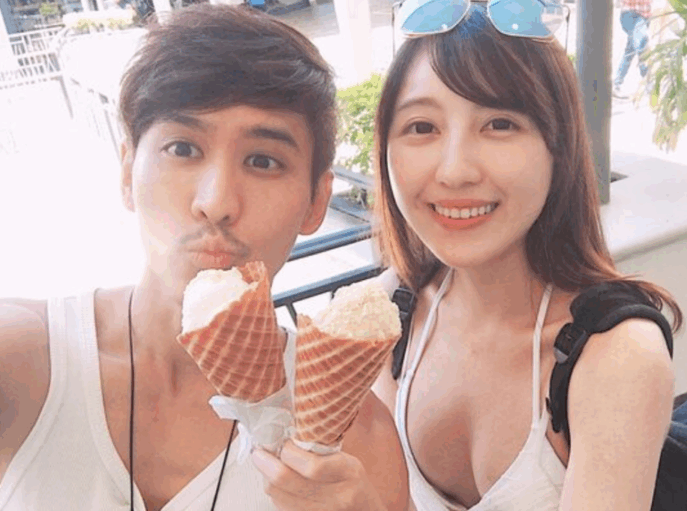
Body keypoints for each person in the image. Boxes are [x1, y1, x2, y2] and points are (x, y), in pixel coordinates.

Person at [0, 5, 408, 511]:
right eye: (182, 149)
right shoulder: (23, 360)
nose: (216, 202)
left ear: (316, 202)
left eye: (263, 160)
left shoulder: (359, 441)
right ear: (127, 171)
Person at [371, 2, 682, 510]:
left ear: (558, 149)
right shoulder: (391, 310)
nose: (454, 171)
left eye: (499, 124)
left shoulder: (616, 355)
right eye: (422, 127)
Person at [613, 0, 652, 99]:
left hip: (645, 16)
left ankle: (616, 84)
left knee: (630, 51)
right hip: (630, 15)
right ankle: (648, 82)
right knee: (641, 45)